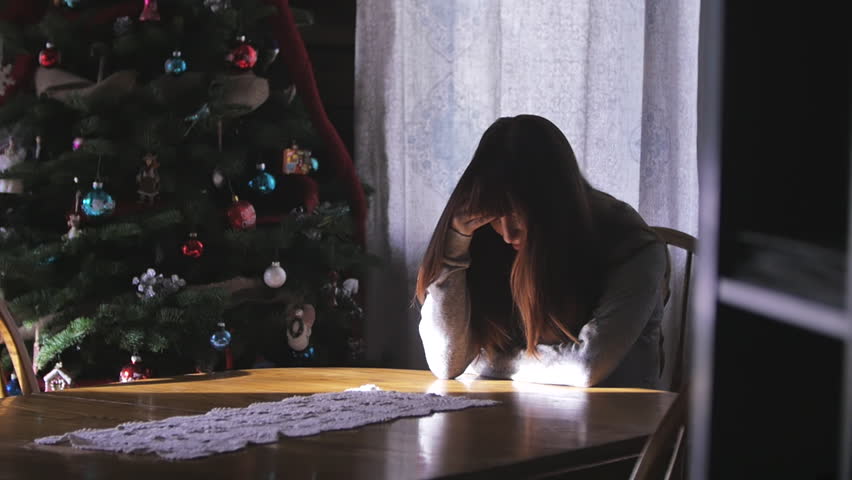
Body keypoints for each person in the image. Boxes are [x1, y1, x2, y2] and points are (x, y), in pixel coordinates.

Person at [416, 115, 669, 389]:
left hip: (623, 422)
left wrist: (484, 361)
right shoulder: (486, 237)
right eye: (495, 218)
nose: (508, 234)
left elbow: (586, 367)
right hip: (524, 414)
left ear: (555, 207)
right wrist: (454, 246)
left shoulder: (635, 247)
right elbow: (446, 363)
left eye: (516, 215)